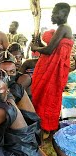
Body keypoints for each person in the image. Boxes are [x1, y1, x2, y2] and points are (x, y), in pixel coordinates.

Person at [30, 2, 74, 134]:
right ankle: (42, 126)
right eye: (52, 13)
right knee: (44, 96)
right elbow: (53, 49)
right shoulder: (62, 29)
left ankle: (47, 127)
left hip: (55, 71)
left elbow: (49, 50)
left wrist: (34, 48)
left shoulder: (63, 28)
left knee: (49, 97)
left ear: (64, 14)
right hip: (51, 68)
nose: (52, 15)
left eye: (55, 13)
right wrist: (38, 42)